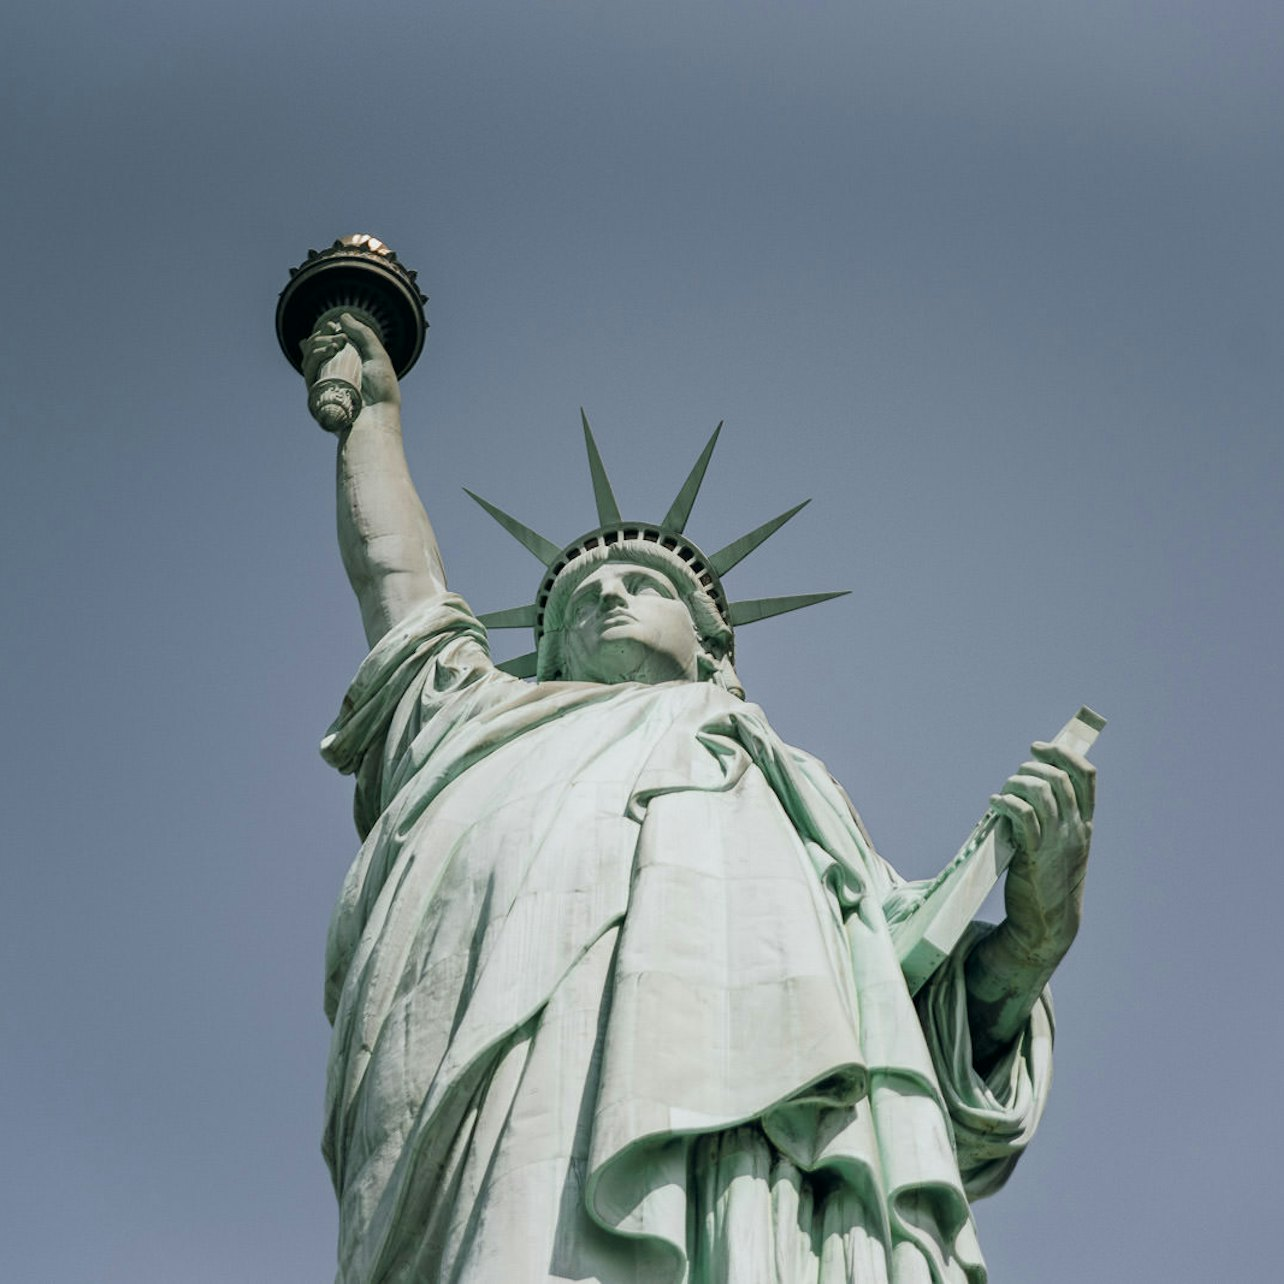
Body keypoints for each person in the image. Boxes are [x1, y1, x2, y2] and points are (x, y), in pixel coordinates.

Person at [302, 315, 1095, 1284]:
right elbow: (402, 591)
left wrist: (1027, 940)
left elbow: (908, 1006)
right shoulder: (482, 725)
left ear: (714, 649)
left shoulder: (791, 794)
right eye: (577, 600)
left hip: (769, 1157)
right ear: (542, 658)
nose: (604, 598)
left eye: (639, 583)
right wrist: (374, 420)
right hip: (515, 1125)